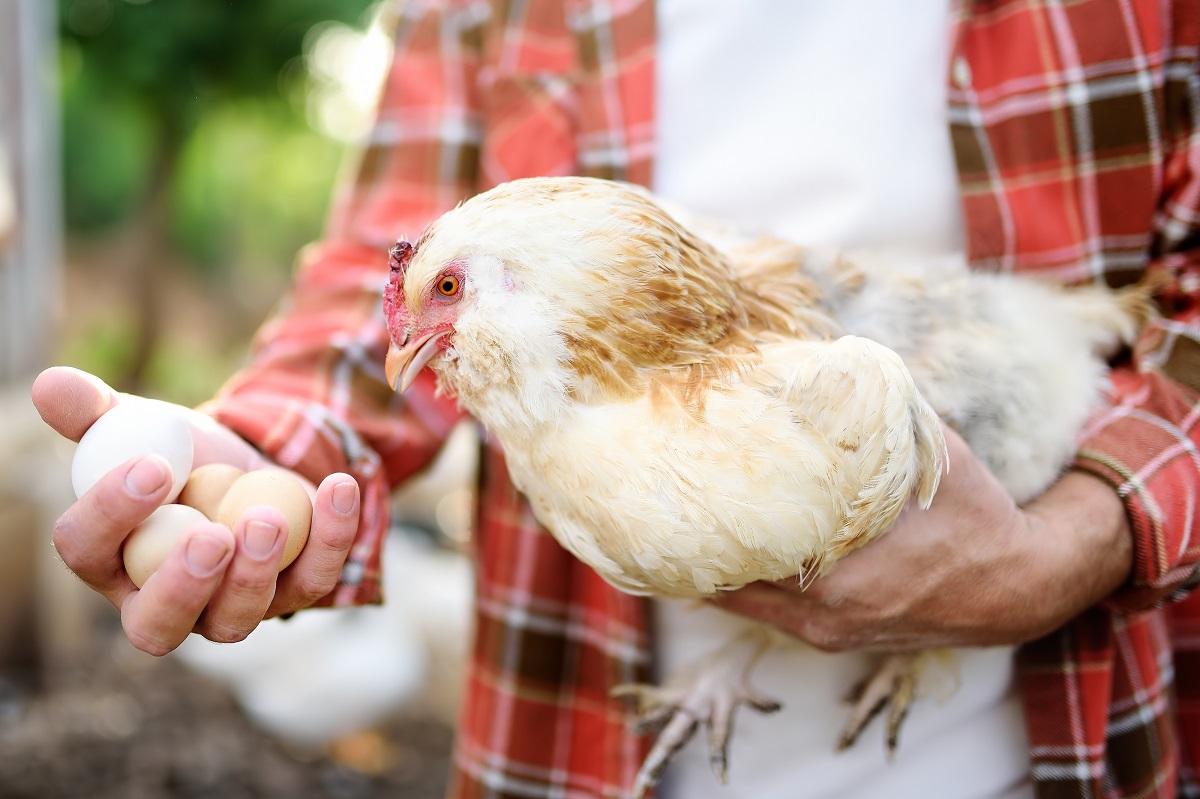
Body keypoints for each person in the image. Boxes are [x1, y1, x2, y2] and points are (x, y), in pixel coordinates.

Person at [33, 0, 1200, 796]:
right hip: (591, 736)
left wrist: (1072, 547)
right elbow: (387, 267)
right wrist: (257, 449)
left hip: (1046, 740)